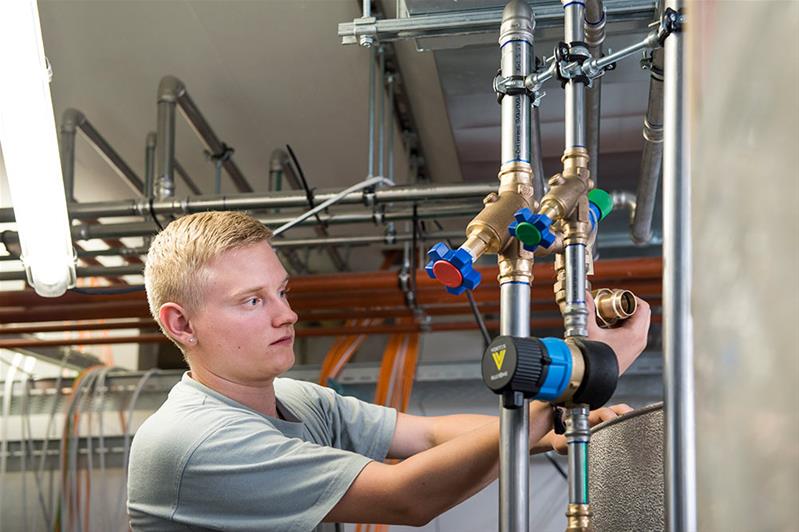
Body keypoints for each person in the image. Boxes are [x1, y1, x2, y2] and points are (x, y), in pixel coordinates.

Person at [127, 210, 651, 531]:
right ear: (182, 324)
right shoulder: (192, 441)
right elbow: (408, 497)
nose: (286, 314)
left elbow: (425, 436)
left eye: (281, 292)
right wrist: (575, 384)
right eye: (251, 301)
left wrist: (552, 428)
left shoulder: (295, 399)